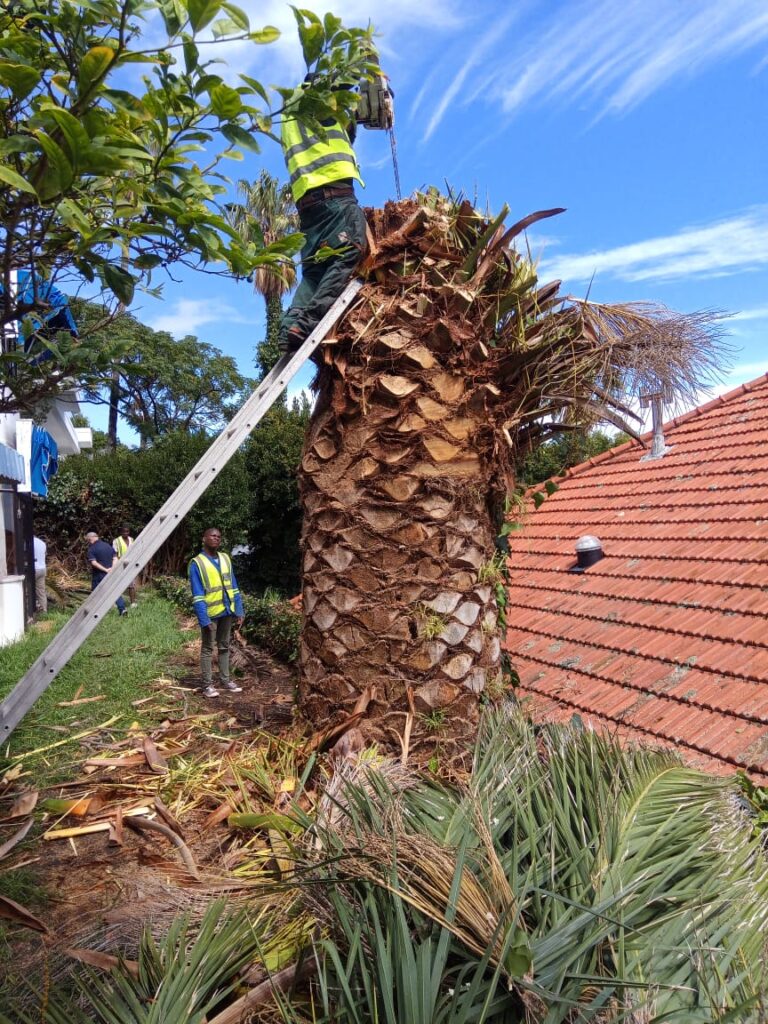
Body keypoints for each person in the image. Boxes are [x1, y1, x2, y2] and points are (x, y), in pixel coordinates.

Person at [277, 77, 369, 356]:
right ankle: (307, 323)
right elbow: (344, 82)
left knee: (316, 270)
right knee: (351, 247)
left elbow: (344, 129)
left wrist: (355, 116)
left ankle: (289, 327)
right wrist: (369, 69)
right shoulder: (314, 97)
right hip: (335, 198)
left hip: (308, 207)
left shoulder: (290, 114)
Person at [188, 528, 244, 698]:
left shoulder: (225, 558)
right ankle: (207, 685)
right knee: (207, 648)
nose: (216, 538)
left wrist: (239, 609)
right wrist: (203, 619)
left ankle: (226, 680)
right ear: (203, 538)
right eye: (212, 535)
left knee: (224, 646)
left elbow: (233, 586)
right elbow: (197, 595)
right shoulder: (196, 563)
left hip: (227, 610)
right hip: (210, 613)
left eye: (219, 536)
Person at [85, 531, 127, 616]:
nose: (88, 542)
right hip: (111, 573)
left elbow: (94, 563)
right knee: (114, 591)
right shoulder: (107, 546)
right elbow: (115, 558)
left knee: (95, 594)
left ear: (91, 538)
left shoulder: (91, 549)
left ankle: (92, 613)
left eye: (88, 540)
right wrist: (112, 568)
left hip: (99, 575)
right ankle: (122, 609)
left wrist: (105, 570)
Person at [113, 524, 138, 607]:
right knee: (119, 584)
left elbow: (134, 551)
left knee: (132, 585)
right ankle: (117, 602)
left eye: (127, 531)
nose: (125, 533)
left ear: (129, 532)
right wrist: (116, 564)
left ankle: (133, 603)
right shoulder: (116, 541)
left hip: (130, 565)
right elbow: (114, 554)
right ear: (121, 532)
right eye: (123, 532)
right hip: (120, 564)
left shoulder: (132, 540)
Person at [33, 534, 47, 614]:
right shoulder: (42, 543)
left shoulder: (28, 542)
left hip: (34, 569)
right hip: (42, 568)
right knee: (41, 591)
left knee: (27, 590)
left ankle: (28, 612)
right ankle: (44, 611)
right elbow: (44, 555)